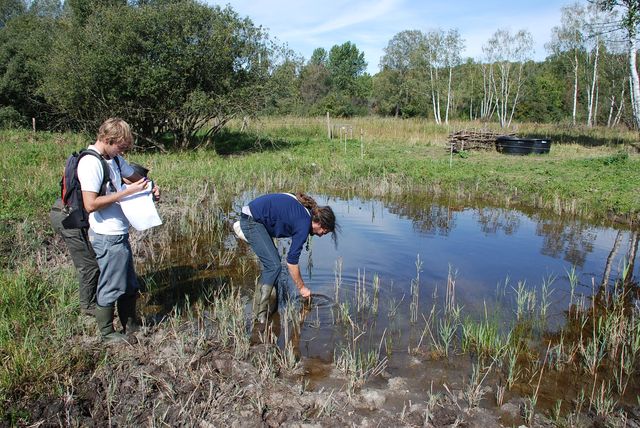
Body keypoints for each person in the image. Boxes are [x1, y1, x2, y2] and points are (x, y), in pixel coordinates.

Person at [77, 118, 160, 343]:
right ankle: (107, 333)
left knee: (129, 283)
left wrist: (150, 186)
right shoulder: (90, 163)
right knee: (112, 284)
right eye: (120, 147)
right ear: (107, 139)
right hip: (106, 234)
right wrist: (125, 192)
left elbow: (137, 178)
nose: (122, 151)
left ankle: (130, 324)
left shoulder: (113, 158)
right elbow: (90, 204)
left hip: (118, 232)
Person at [239, 192, 337, 325]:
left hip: (254, 216)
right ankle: (260, 316)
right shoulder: (304, 224)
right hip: (252, 221)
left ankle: (270, 308)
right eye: (323, 232)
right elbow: (291, 262)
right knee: (273, 266)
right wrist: (302, 288)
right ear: (319, 223)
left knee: (273, 263)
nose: (320, 235)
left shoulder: (305, 213)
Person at [50, 200, 100, 317]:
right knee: (89, 265)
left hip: (68, 212)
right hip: (70, 217)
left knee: (95, 257)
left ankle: (100, 294)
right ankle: (88, 306)